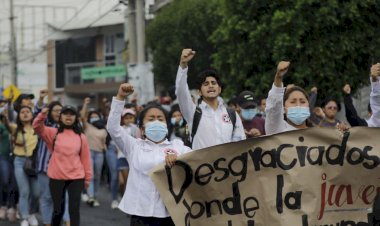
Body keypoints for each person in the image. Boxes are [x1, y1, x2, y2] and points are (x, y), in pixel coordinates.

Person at [107, 83, 191, 226]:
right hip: (140, 212)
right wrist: (120, 97)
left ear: (166, 124)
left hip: (169, 213)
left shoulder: (178, 147)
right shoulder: (133, 146)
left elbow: (196, 164)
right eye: (151, 119)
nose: (156, 122)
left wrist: (179, 162)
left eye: (160, 118)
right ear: (142, 128)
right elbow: (113, 128)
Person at [33, 105, 92, 226]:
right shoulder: (52, 133)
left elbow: (86, 159)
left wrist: (87, 179)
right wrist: (42, 115)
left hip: (76, 177)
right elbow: (37, 127)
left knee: (74, 210)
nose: (68, 116)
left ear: (76, 118)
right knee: (58, 210)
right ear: (60, 117)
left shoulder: (81, 137)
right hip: (57, 177)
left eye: (72, 114)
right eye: (65, 113)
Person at [175, 49, 246, 149]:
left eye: (214, 83)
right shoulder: (193, 113)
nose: (211, 86)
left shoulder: (232, 114)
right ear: (199, 92)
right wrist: (183, 65)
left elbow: (240, 144)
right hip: (201, 164)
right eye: (206, 84)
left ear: (219, 89)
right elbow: (181, 92)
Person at [35, 101, 70, 226]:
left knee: (64, 197)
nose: (58, 112)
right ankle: (46, 222)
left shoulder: (69, 127)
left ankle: (67, 221)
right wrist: (41, 108)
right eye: (55, 110)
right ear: (50, 112)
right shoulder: (46, 124)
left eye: (61, 110)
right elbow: (36, 122)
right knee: (47, 197)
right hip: (45, 167)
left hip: (63, 169)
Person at [5, 105, 39, 226]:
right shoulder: (15, 128)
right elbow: (8, 126)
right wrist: (5, 117)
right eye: (22, 112)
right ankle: (24, 217)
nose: (25, 114)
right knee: (24, 191)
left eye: (27, 112)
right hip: (19, 161)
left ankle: (31, 213)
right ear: (18, 116)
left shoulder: (38, 128)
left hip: (34, 163)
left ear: (32, 114)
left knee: (36, 192)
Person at [265, 61, 312, 135]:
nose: (298, 105)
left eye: (302, 102)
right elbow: (273, 108)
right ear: (283, 109)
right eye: (293, 102)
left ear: (308, 107)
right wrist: (278, 77)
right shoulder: (278, 130)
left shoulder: (318, 135)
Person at [80, 97, 108, 207]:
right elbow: (82, 116)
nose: (94, 118)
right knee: (90, 175)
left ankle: (95, 195)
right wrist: (85, 104)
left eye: (96, 116)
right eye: (92, 116)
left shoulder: (104, 129)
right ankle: (91, 196)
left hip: (100, 153)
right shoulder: (88, 126)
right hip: (89, 153)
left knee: (97, 175)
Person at [117, 108, 140, 200]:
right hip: (122, 157)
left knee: (133, 181)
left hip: (135, 158)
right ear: (123, 119)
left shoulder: (137, 128)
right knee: (125, 181)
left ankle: (131, 199)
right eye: (126, 118)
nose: (128, 120)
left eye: (131, 117)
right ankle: (125, 198)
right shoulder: (120, 129)